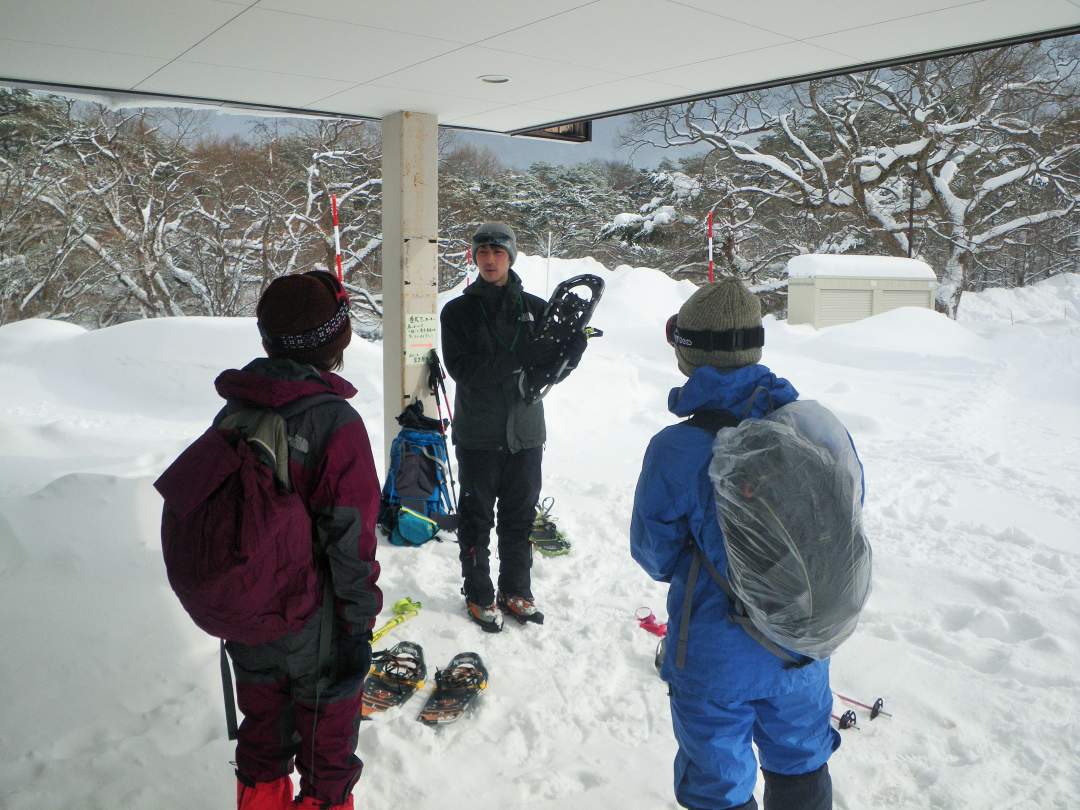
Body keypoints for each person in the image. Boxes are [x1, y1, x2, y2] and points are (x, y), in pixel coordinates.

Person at [630, 277, 844, 810]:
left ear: (691, 354)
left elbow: (654, 552)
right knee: (800, 761)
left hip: (714, 652)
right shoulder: (812, 429)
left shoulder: (677, 449)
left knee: (718, 782)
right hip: (802, 643)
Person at [223, 271, 381, 810]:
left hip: (248, 613)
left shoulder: (236, 410)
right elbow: (351, 537)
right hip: (315, 623)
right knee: (327, 755)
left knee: (262, 739)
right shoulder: (334, 422)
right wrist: (359, 620)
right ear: (337, 341)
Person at [440, 222, 586, 631]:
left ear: (511, 257)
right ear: (474, 257)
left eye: (497, 252)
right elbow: (464, 370)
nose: (489, 259)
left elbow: (547, 372)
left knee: (519, 519)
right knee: (476, 518)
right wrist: (523, 353)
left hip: (525, 434)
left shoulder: (538, 309)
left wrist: (570, 355)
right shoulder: (458, 312)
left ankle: (516, 590)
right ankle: (478, 592)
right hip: (479, 435)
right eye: (482, 252)